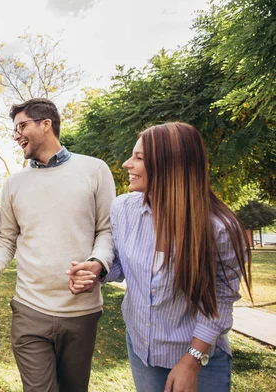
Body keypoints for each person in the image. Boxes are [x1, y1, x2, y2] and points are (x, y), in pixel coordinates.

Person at [0, 98, 116, 392]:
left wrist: (98, 264)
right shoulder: (14, 184)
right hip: (29, 311)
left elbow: (107, 231)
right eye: (15, 129)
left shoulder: (95, 170)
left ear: (46, 124)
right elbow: (6, 241)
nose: (16, 135)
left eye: (22, 126)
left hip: (81, 313)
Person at [71, 122, 252, 391]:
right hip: (143, 352)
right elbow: (121, 262)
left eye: (139, 158)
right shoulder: (123, 208)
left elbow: (222, 299)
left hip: (200, 357)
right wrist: (98, 270)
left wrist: (191, 362)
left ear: (171, 165)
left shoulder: (219, 228)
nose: (126, 164)